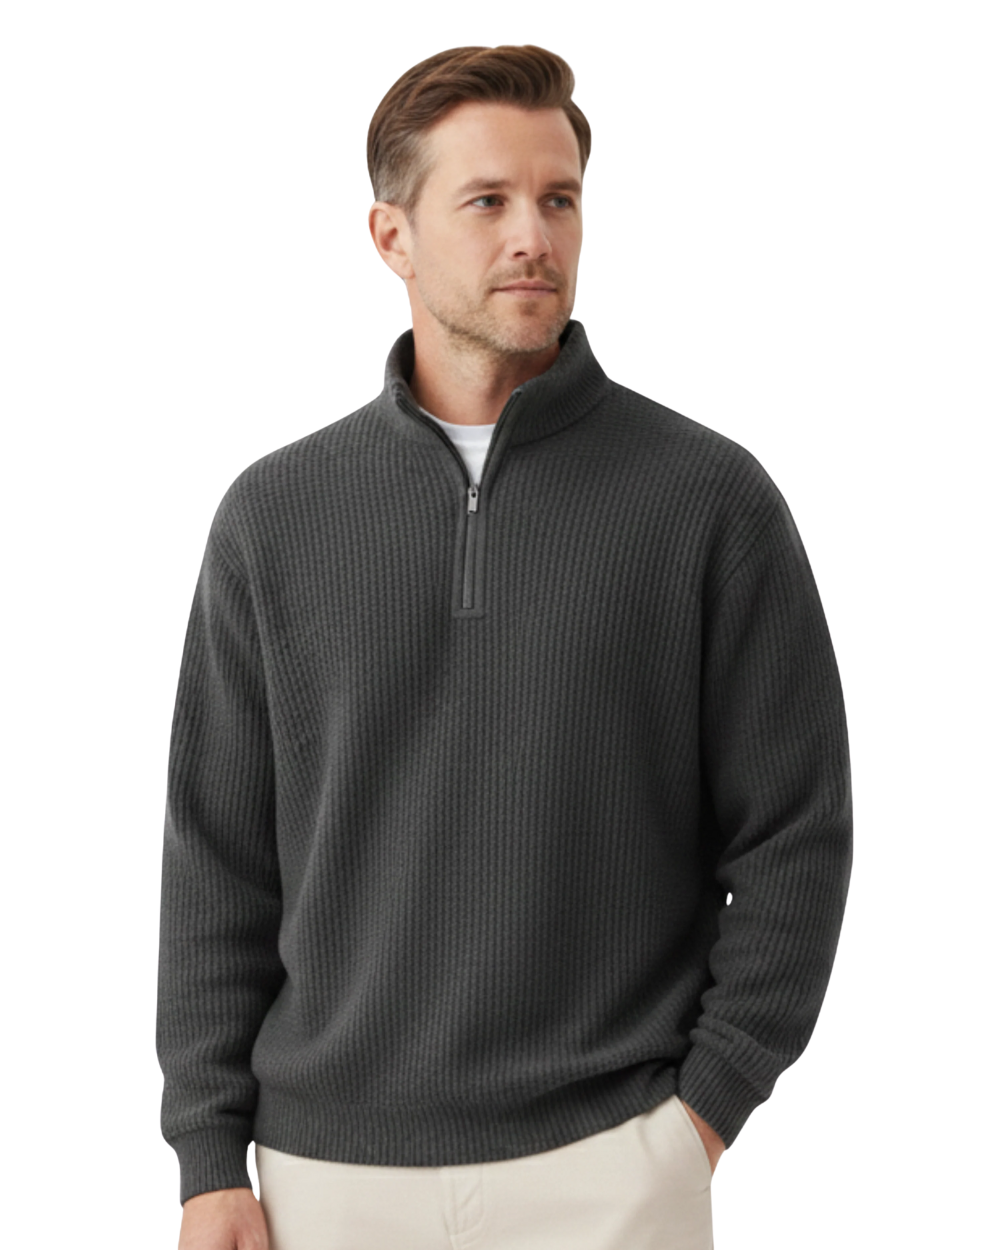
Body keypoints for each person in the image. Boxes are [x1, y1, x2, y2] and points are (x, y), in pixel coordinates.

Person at [157, 44, 852, 1250]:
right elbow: (216, 858)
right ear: (391, 236)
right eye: (487, 201)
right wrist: (207, 1153)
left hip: (611, 1163)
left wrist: (702, 1111)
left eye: (558, 198)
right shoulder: (275, 517)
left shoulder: (705, 500)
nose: (533, 236)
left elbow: (797, 829)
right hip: (330, 1176)